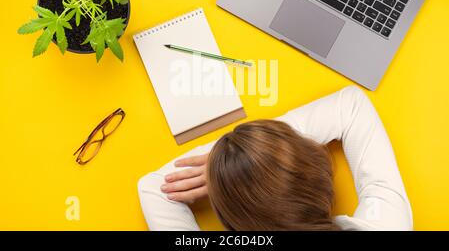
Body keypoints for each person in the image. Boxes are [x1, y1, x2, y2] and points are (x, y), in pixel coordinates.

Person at [138, 86, 413, 231]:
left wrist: (231, 166)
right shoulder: (388, 225)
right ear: (320, 175)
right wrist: (250, 158)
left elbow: (154, 187)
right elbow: (351, 105)